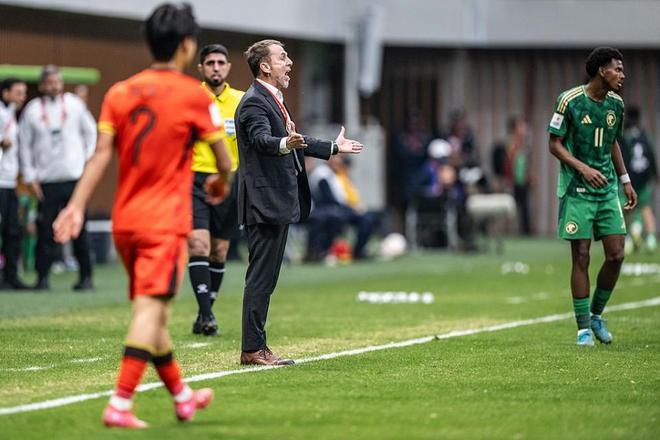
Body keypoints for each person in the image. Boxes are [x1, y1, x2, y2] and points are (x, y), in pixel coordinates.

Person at [53, 3, 232, 428]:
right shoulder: (195, 95)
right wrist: (221, 182)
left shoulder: (119, 92)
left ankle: (183, 396)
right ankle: (120, 403)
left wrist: (75, 205)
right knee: (149, 312)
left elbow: (100, 154)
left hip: (125, 223)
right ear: (187, 45)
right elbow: (224, 159)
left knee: (155, 314)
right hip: (163, 223)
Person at [236, 39, 363, 365]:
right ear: (265, 66)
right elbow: (262, 140)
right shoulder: (254, 103)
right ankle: (252, 349)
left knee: (267, 278)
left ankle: (257, 346)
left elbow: (295, 140)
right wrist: (283, 142)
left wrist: (332, 148)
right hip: (264, 202)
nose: (290, 62)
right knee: (261, 277)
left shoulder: (272, 99)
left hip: (275, 201)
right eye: (282, 57)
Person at [548, 47, 637, 347]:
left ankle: (596, 315)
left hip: (607, 189)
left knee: (617, 254)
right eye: (617, 69)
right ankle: (583, 329)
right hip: (578, 190)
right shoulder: (569, 100)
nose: (622, 75)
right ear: (602, 71)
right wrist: (583, 168)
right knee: (582, 256)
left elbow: (612, 142)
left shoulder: (616, 104)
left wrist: (625, 179)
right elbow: (554, 144)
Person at [18, 65, 96, 291]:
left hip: (74, 178)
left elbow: (91, 132)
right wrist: (30, 176)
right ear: (42, 85)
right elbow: (24, 145)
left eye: (57, 82)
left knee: (79, 229)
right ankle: (42, 277)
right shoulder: (32, 110)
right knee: (45, 230)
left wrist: (88, 163)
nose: (54, 86)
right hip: (46, 180)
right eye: (50, 83)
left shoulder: (74, 105)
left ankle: (86, 277)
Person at [188, 44, 245, 336]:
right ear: (201, 68)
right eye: (210, 63)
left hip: (229, 182)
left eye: (221, 62)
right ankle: (208, 315)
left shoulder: (241, 101)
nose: (216, 67)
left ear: (228, 67)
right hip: (194, 179)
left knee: (220, 251)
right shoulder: (190, 98)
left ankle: (203, 312)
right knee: (199, 245)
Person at [308, 155, 379, 261]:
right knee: (340, 218)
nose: (338, 161)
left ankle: (358, 251)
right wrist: (351, 208)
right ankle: (323, 252)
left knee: (368, 218)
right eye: (335, 158)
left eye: (339, 159)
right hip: (326, 210)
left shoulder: (335, 174)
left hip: (339, 209)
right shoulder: (321, 173)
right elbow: (329, 199)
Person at [0, 77, 28, 289]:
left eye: (24, 93)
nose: (22, 97)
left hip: (10, 182)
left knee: (12, 230)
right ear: (6, 93)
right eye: (18, 92)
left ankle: (11, 277)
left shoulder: (11, 114)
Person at [618, 106, 657, 253]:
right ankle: (650, 239)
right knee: (645, 207)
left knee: (626, 208)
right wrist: (655, 175)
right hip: (644, 178)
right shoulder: (644, 136)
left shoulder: (624, 137)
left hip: (628, 179)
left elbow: (620, 157)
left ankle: (629, 235)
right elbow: (651, 156)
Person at [492, 117, 533, 235]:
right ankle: (486, 227)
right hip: (509, 181)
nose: (525, 130)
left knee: (524, 208)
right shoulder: (506, 145)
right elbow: (501, 163)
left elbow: (523, 164)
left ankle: (526, 232)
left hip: (521, 181)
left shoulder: (524, 147)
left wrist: (529, 176)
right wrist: (500, 179)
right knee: (502, 207)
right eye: (522, 127)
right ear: (514, 129)